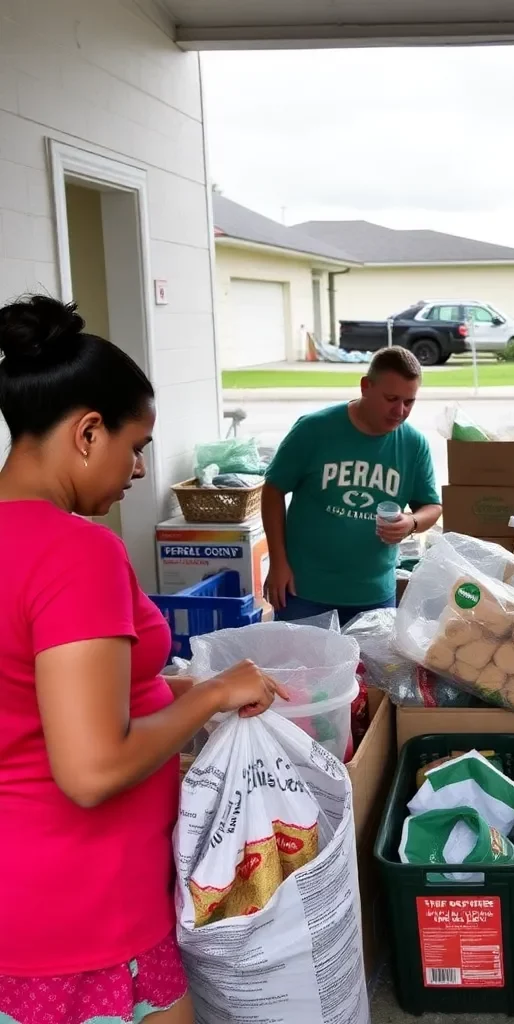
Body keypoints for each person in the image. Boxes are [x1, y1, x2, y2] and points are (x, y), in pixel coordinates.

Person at [0, 296, 281, 1024]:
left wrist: (180, 688)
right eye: (136, 444)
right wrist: (211, 693)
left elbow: (33, 693)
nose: (139, 468)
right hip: (82, 905)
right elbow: (90, 770)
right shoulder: (73, 552)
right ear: (88, 432)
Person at [262, 346, 441, 626]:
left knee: (371, 670)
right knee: (302, 669)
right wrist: (278, 562)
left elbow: (431, 506)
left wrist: (412, 522)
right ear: (365, 387)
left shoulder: (413, 444)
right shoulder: (314, 430)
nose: (400, 411)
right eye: (391, 398)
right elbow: (273, 489)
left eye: (409, 401)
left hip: (374, 593)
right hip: (304, 589)